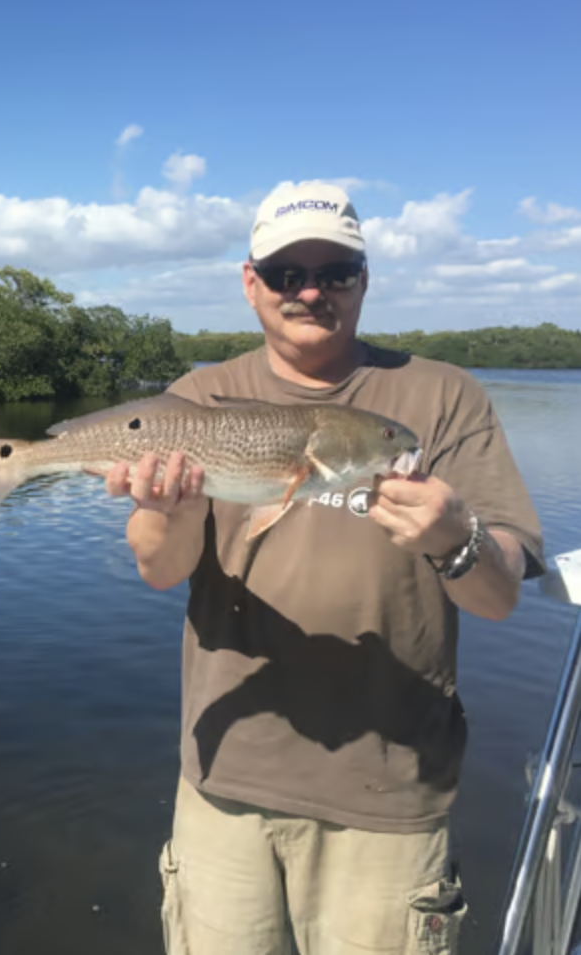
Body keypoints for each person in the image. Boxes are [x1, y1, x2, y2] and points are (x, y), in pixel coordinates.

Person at [106, 181, 545, 955]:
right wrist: (168, 507)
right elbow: (158, 570)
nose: (310, 291)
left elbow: (502, 594)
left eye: (335, 271)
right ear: (252, 284)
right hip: (226, 780)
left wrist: (456, 535)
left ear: (364, 279)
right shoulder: (200, 398)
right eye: (285, 274)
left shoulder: (441, 399)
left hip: (391, 787)